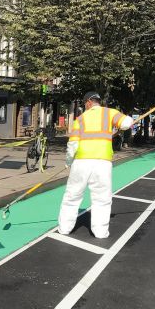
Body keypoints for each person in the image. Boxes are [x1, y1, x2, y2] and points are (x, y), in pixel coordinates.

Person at [57, 91, 134, 239]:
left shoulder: (80, 119)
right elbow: (126, 123)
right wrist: (129, 121)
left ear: (89, 102)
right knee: (102, 198)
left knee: (72, 196)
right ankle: (100, 232)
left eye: (84, 104)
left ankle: (65, 228)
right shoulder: (110, 113)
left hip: (81, 162)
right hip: (102, 163)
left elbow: (72, 144)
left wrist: (68, 161)